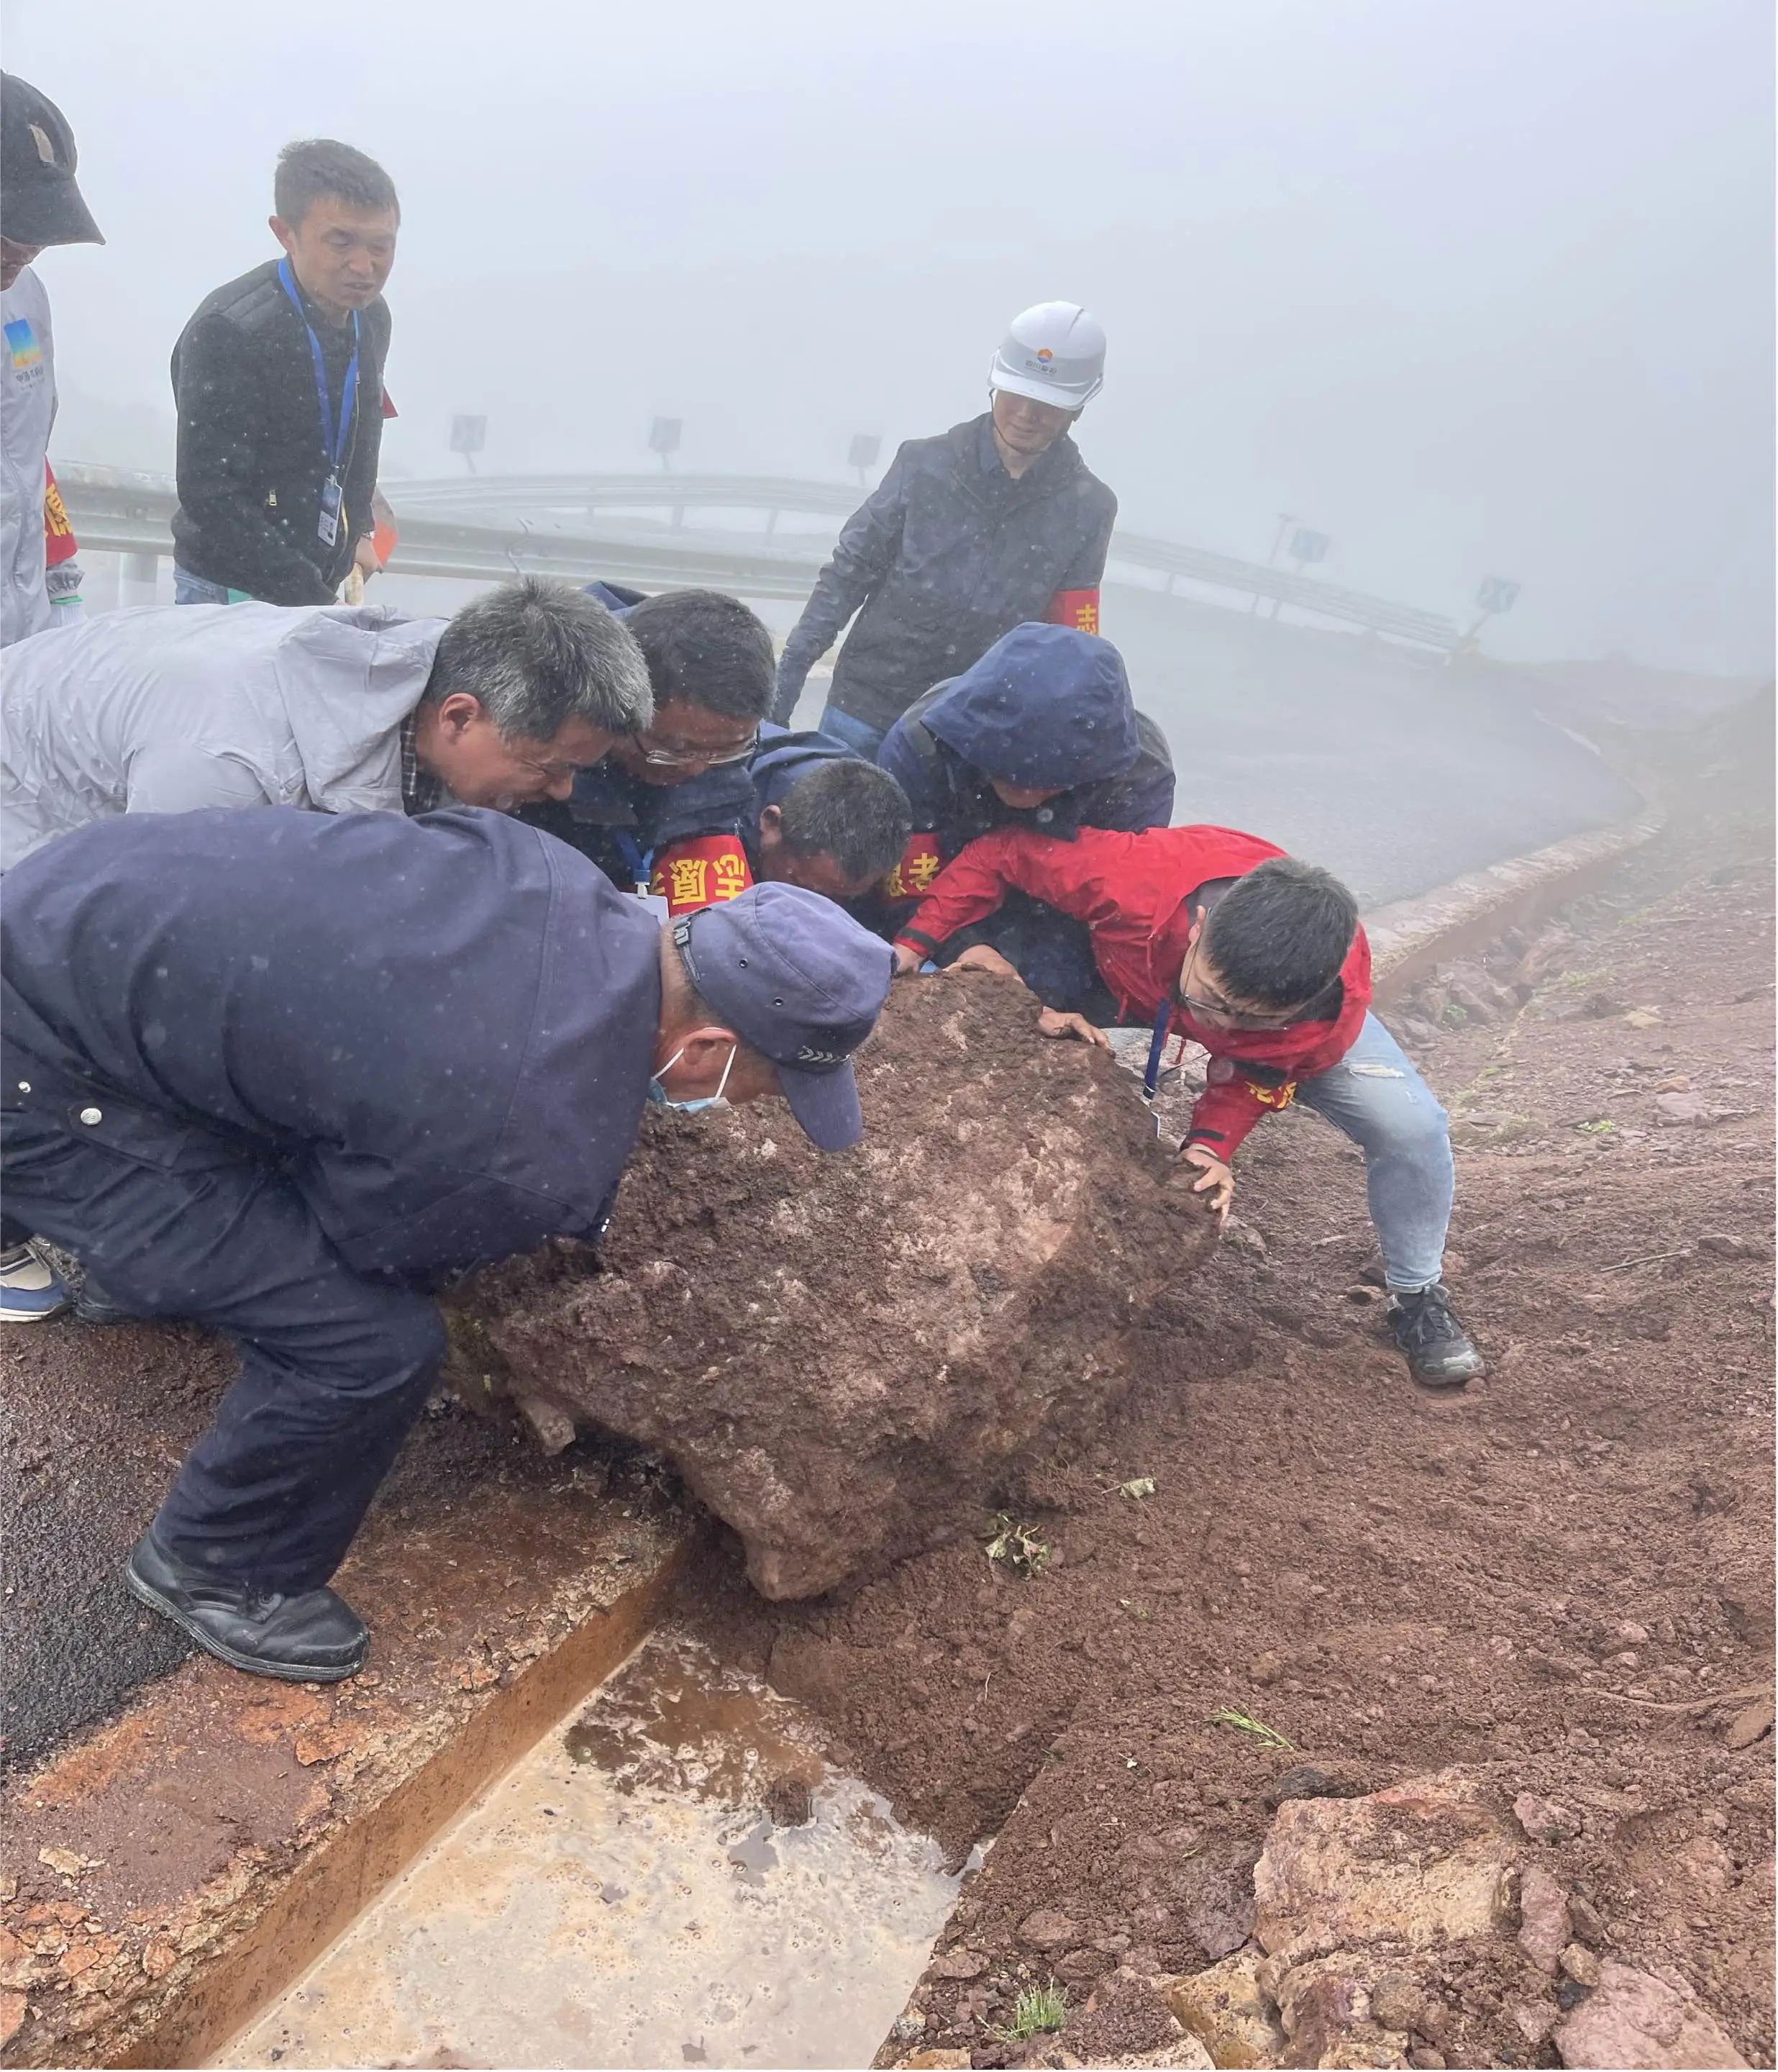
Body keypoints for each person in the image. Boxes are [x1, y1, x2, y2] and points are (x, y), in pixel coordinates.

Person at [0, 805, 893, 1680]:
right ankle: (216, 1565)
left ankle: (126, 1238)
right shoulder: (524, 1147)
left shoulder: (548, 870)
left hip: (61, 909)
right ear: (705, 1047)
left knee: (281, 1103)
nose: (746, 1109)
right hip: (39, 1060)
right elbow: (361, 1242)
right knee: (367, 1347)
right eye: (765, 1090)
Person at [890, 825, 1484, 1390]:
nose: (1220, 1025)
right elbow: (1003, 851)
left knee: (1412, 1126)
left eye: (1250, 1016)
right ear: (1199, 928)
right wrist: (918, 942)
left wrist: (1210, 1145)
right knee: (974, 994)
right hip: (1127, 978)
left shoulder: (1325, 1014)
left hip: (1219, 1010)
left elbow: (1255, 1067)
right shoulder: (1135, 880)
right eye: (1216, 999)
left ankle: (1417, 1294)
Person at [0, 578, 650, 875]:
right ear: (459, 717)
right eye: (551, 766)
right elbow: (147, 930)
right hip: (25, 797)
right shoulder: (236, 768)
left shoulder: (433, 666)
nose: (564, 791)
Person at [769, 302, 1117, 753]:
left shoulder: (1089, 509)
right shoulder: (923, 465)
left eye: (1047, 404)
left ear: (1078, 409)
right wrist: (788, 677)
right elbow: (848, 572)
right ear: (995, 383)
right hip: (865, 705)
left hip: (973, 724)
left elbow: (1071, 637)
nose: (1025, 413)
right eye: (1015, 393)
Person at [873, 622, 1174, 1010]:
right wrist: (966, 948)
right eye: (1007, 773)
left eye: (1045, 782)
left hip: (1060, 904)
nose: (1025, 793)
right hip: (946, 876)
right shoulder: (924, 744)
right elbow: (908, 880)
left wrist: (1040, 997)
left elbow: (1104, 900)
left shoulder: (1137, 776)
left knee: (1053, 993)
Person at [170, 138, 398, 606]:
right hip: (230, 589)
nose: (364, 266)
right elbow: (212, 498)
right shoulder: (231, 330)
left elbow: (363, 434)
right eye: (341, 242)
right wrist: (310, 599)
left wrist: (359, 528)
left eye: (380, 246)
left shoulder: (371, 317)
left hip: (314, 584)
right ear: (285, 233)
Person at [526, 584, 776, 909]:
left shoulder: (724, 739)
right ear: (618, 711)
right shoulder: (537, 738)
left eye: (728, 750)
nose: (697, 768)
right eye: (674, 749)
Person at [0, 71, 103, 648]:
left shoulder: (23, 302)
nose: (24, 250)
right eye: (8, 228)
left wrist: (60, 581)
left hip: (19, 641)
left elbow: (26, 451)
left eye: (38, 229)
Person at [745, 727, 913, 901]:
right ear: (771, 822)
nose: (812, 907)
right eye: (798, 887)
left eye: (837, 899)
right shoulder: (729, 799)